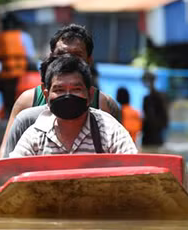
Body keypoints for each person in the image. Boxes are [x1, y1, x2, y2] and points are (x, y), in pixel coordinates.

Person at [0, 23, 122, 157]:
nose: (67, 61)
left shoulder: (104, 106)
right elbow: (5, 156)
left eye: (76, 55)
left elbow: (121, 159)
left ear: (89, 61)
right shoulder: (27, 103)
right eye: (61, 55)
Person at [9, 55, 137, 157]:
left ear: (90, 95)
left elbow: (134, 173)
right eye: (59, 90)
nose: (67, 96)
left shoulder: (109, 131)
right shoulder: (35, 137)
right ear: (46, 95)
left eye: (76, 89)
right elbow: (12, 175)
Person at [0, 12, 36, 119]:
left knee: (8, 106)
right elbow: (30, 56)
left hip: (6, 78)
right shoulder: (24, 36)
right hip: (22, 78)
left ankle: (7, 124)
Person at [141, 71, 169, 146]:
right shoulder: (149, 97)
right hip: (152, 133)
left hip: (153, 134)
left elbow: (151, 116)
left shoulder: (152, 98)